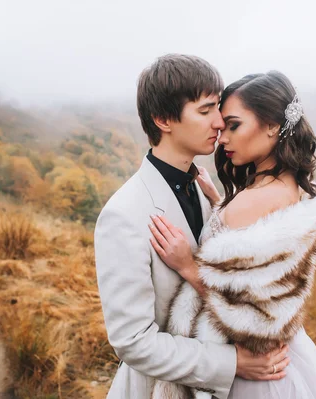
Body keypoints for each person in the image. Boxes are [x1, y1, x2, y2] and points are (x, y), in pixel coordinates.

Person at [94, 55, 290, 399]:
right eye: (205, 110)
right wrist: (231, 364)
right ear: (163, 119)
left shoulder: (205, 191)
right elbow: (133, 342)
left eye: (218, 109)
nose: (219, 122)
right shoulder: (124, 215)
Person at [149, 71, 316, 398]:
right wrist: (220, 202)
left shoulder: (254, 200)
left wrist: (188, 265)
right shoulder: (283, 187)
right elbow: (254, 251)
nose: (222, 137)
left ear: (273, 125)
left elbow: (245, 306)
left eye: (233, 125)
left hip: (253, 374)